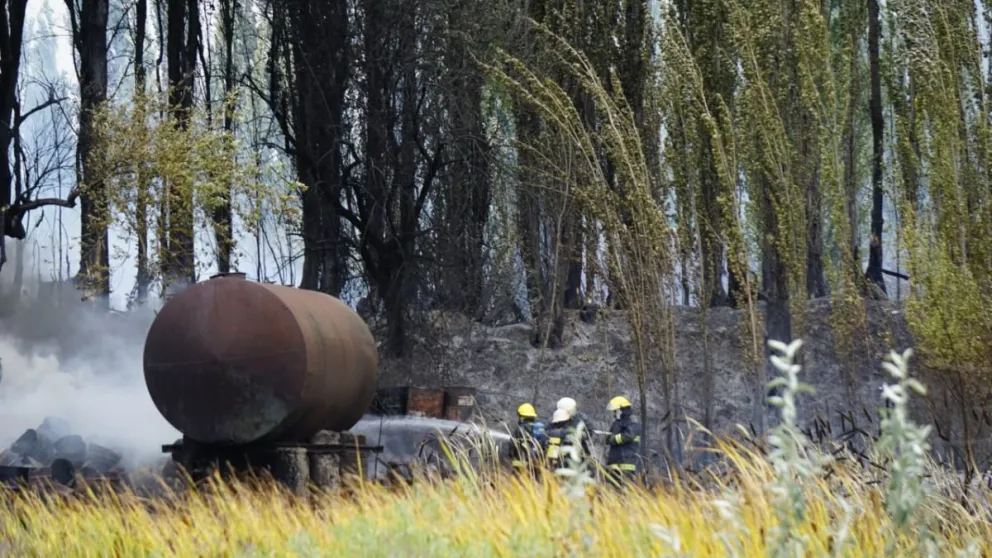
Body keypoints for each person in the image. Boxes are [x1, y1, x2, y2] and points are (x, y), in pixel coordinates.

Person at [604, 395, 642, 487]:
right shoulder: (616, 425)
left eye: (615, 411)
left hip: (626, 467)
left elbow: (627, 436)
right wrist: (609, 439)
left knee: (626, 491)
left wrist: (613, 439)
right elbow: (608, 439)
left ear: (622, 410)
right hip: (614, 467)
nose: (614, 414)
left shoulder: (634, 426)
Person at [508, 403, 547, 474]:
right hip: (536, 467)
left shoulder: (520, 429)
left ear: (522, 417)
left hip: (520, 468)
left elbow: (512, 447)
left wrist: (512, 456)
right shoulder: (539, 429)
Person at [556, 397, 593, 462]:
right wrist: (562, 433)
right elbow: (547, 431)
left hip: (578, 452)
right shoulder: (556, 417)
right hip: (559, 451)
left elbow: (589, 432)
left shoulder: (581, 418)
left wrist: (577, 435)